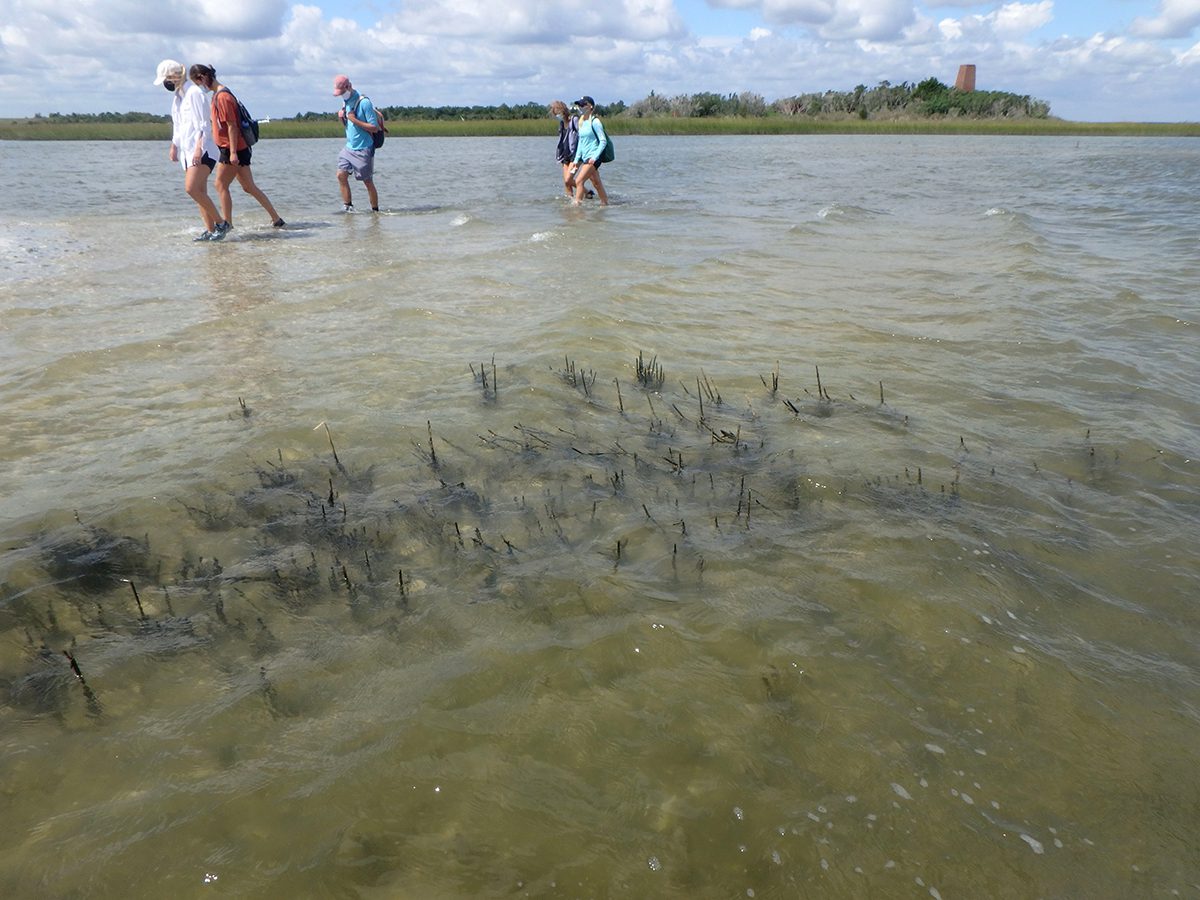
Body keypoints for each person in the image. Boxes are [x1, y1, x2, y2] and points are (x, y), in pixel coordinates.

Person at [189, 64, 284, 233]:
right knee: (249, 187)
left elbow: (232, 126)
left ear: (202, 78)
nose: (199, 88)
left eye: (198, 83)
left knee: (220, 185)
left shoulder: (222, 97)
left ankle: (227, 224)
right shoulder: (221, 94)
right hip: (238, 148)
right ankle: (276, 219)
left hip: (232, 148)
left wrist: (232, 153)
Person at [154, 59, 224, 241]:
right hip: (187, 151)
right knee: (200, 192)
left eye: (166, 80)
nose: (165, 84)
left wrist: (199, 149)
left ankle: (221, 224)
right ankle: (210, 230)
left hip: (203, 150)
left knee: (191, 189)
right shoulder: (177, 98)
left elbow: (204, 124)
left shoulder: (194, 93)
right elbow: (178, 126)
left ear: (174, 77)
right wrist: (174, 146)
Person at [333, 74, 381, 212]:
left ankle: (375, 211)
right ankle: (348, 207)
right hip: (349, 147)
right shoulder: (345, 102)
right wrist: (343, 118)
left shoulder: (364, 102)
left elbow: (374, 127)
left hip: (364, 148)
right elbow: (349, 126)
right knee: (340, 175)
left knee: (367, 181)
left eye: (342, 92)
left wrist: (354, 119)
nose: (341, 95)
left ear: (349, 87)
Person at [570, 96, 609, 206]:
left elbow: (603, 141)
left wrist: (595, 157)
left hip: (593, 157)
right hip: (585, 157)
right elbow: (581, 144)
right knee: (596, 183)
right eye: (579, 105)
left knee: (579, 181)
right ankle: (604, 203)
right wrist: (576, 161)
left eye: (583, 105)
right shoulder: (582, 122)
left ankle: (577, 206)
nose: (580, 107)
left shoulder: (595, 122)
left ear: (590, 106)